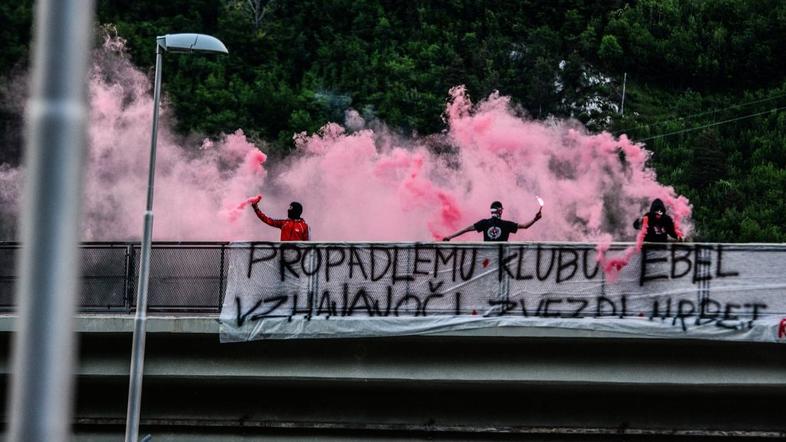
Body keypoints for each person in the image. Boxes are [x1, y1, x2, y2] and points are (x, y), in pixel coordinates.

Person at [442, 201, 542, 242]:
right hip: (501, 260)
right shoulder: (506, 224)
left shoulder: (484, 223)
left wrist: (450, 237)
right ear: (499, 211)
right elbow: (524, 226)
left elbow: (466, 229)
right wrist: (535, 219)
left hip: (487, 260)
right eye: (501, 209)